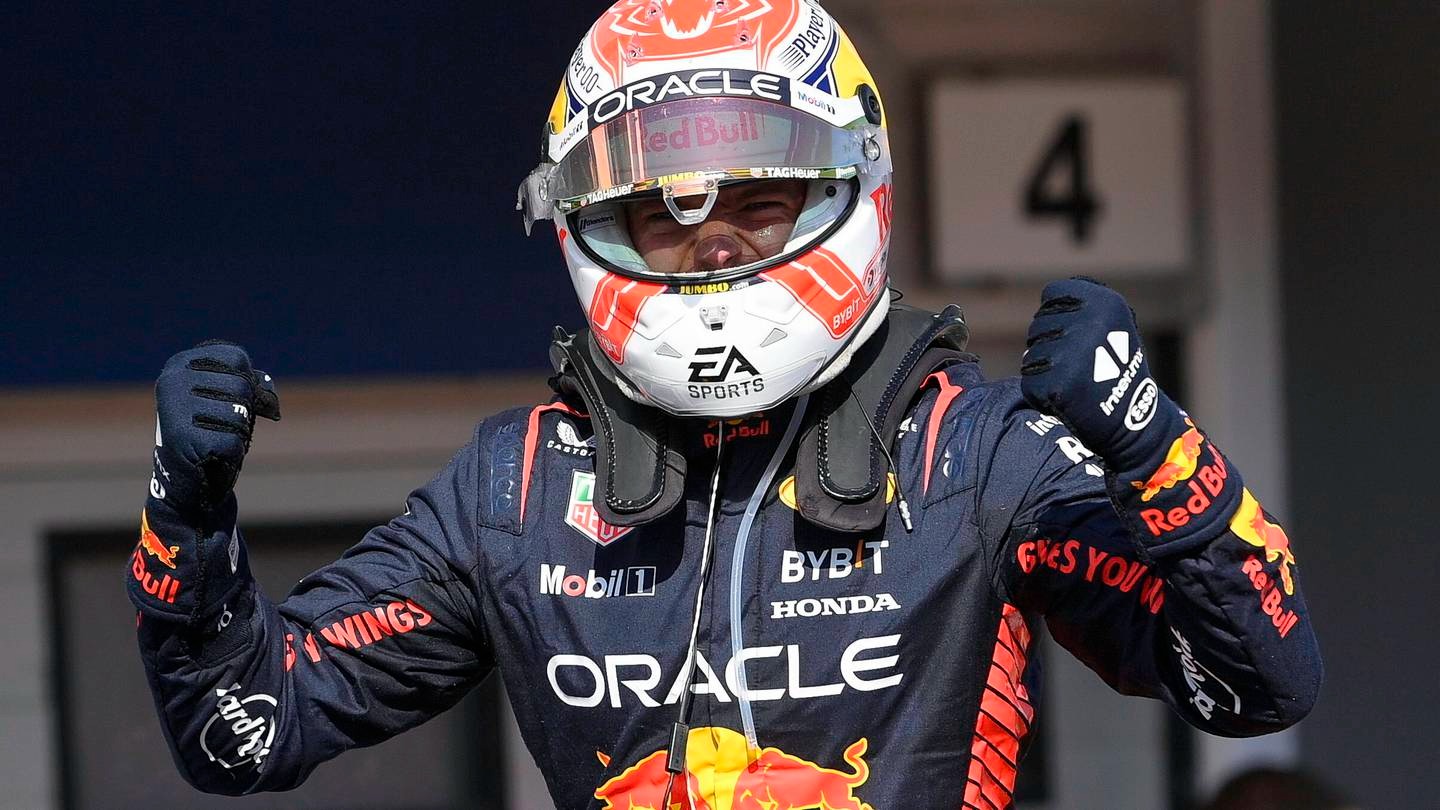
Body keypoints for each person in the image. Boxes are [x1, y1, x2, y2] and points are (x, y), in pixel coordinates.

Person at [126, 2, 1322, 808]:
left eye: (759, 199)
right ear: (595, 225)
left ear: (849, 186)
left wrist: (1149, 439)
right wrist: (186, 521)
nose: (713, 248)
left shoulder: (970, 453)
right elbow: (248, 728)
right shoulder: (519, 490)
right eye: (666, 213)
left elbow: (1256, 683)